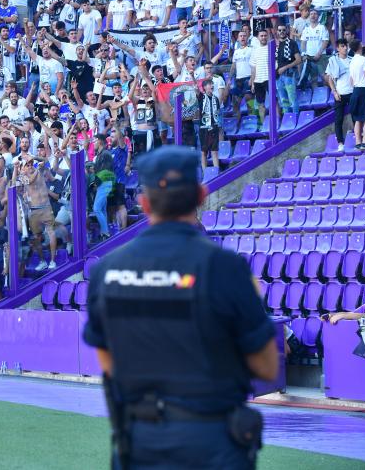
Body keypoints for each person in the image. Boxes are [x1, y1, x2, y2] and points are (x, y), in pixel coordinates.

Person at [83, 146, 278, 470]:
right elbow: (267, 367)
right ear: (201, 195)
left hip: (140, 441)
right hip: (213, 441)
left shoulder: (106, 271)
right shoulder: (227, 268)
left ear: (143, 203)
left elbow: (108, 361)